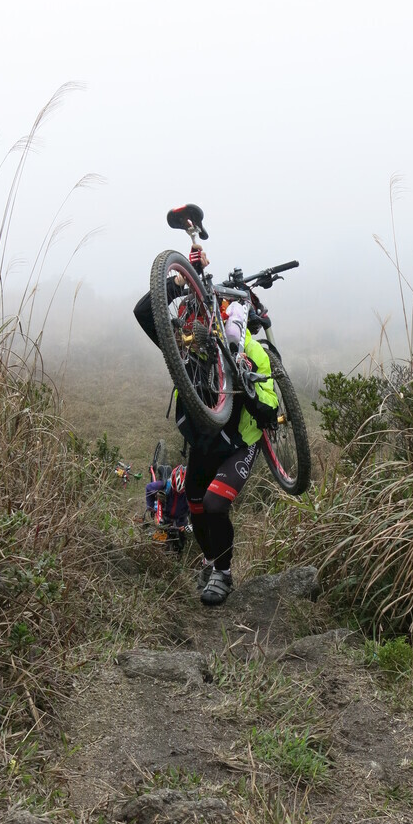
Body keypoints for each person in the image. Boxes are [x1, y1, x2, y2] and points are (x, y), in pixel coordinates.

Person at [134, 247, 278, 606]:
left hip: (239, 442)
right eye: (191, 323)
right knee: (195, 505)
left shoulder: (247, 350)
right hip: (203, 442)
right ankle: (211, 561)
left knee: (214, 503)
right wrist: (180, 279)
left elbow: (270, 406)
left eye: (206, 323)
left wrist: (250, 390)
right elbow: (144, 312)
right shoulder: (182, 348)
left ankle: (223, 574)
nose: (196, 331)